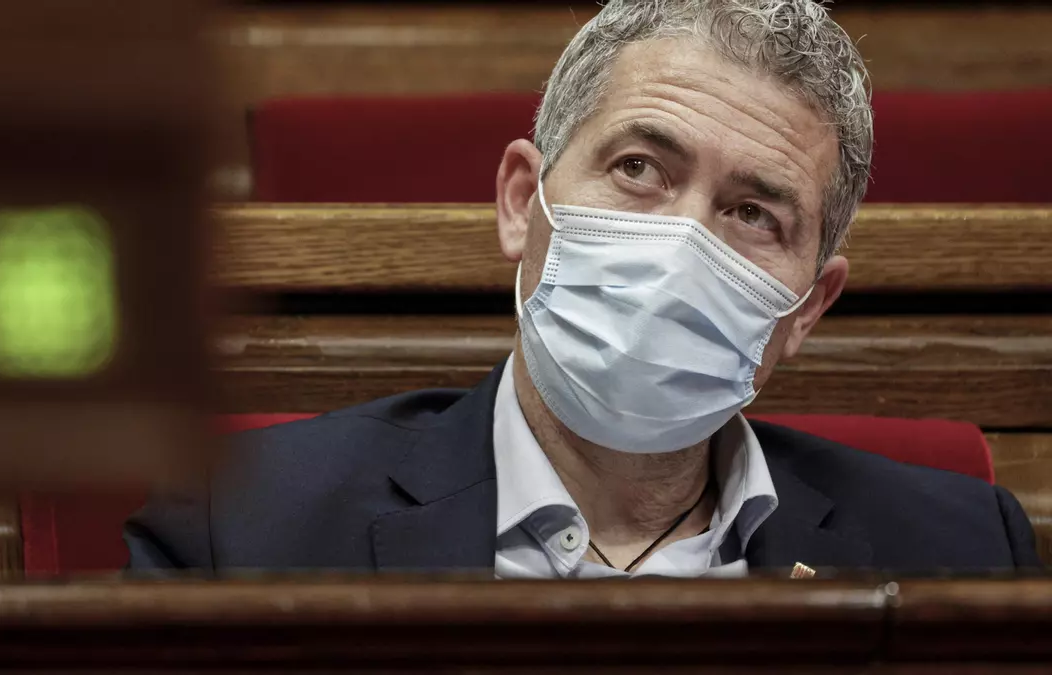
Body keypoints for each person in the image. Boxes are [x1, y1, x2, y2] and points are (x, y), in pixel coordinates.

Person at [126, 0, 1040, 577]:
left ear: (807, 309)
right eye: (639, 167)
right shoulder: (240, 527)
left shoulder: (962, 552)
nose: (681, 244)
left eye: (754, 213)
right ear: (522, 202)